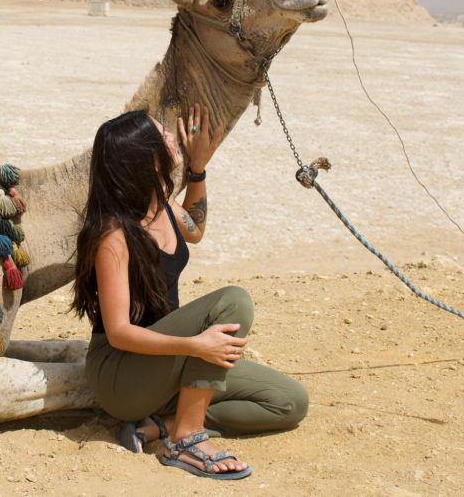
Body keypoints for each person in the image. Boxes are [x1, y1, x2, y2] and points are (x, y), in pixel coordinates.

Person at [71, 106, 308, 480]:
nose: (172, 137)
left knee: (289, 402)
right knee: (234, 301)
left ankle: (162, 425)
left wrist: (198, 168)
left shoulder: (161, 204)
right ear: (147, 160)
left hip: (166, 365)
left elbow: (195, 229)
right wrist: (196, 346)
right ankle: (187, 439)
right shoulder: (113, 234)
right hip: (122, 375)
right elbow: (118, 332)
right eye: (161, 135)